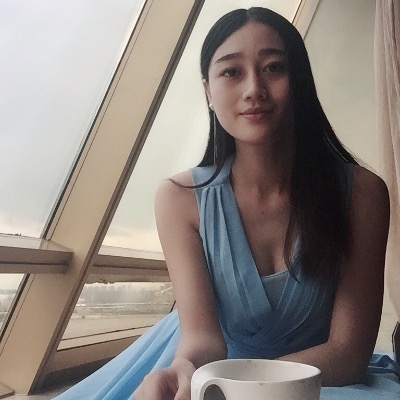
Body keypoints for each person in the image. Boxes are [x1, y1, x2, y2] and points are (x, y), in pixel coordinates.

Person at [54, 7, 400, 400]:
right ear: (208, 91)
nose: (254, 88)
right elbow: (202, 340)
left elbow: (348, 353)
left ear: (300, 81)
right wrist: (184, 370)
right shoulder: (179, 199)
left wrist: (244, 388)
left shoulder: (362, 193)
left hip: (323, 380)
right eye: (232, 72)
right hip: (214, 374)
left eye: (273, 68)